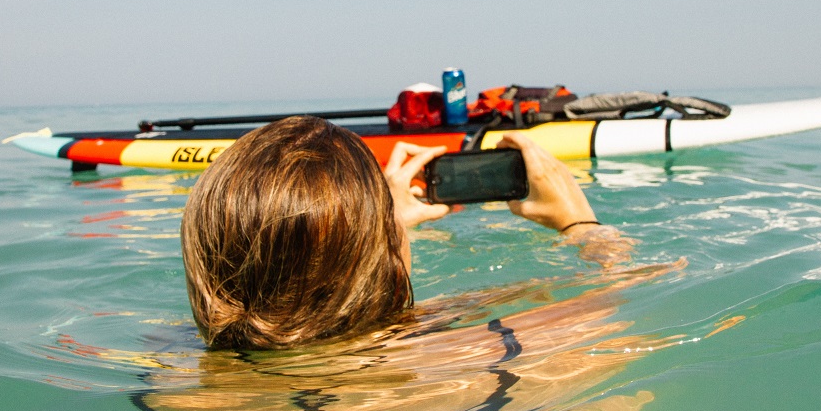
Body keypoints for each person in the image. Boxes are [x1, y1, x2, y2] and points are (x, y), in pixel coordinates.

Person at [180, 115, 620, 350]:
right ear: (388, 253)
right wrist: (581, 223)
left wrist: (374, 225)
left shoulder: (170, 368)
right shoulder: (482, 358)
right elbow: (625, 292)